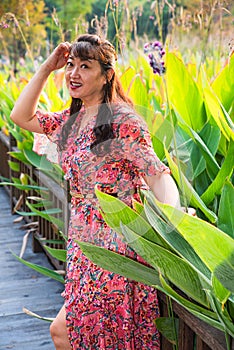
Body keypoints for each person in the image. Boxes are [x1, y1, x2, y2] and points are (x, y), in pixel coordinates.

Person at [10, 34, 190, 350]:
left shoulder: (123, 120)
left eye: (85, 66)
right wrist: (47, 68)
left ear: (107, 74)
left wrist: (172, 221)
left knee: (67, 332)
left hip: (119, 243)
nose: (73, 74)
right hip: (84, 245)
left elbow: (157, 175)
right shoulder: (70, 122)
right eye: (70, 65)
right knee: (91, 336)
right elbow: (20, 116)